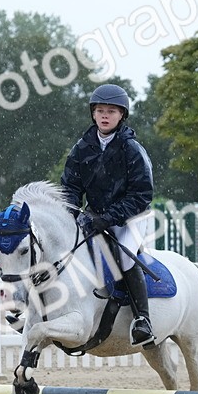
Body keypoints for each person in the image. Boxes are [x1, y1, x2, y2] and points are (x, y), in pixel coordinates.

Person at [60, 83, 156, 347]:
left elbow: (141, 194)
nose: (104, 116)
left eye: (111, 111)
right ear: (93, 114)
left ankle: (142, 321)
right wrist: (72, 213)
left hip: (131, 217)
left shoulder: (131, 148)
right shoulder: (82, 147)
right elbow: (70, 186)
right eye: (100, 110)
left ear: (121, 115)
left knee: (124, 259)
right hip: (93, 215)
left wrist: (109, 217)